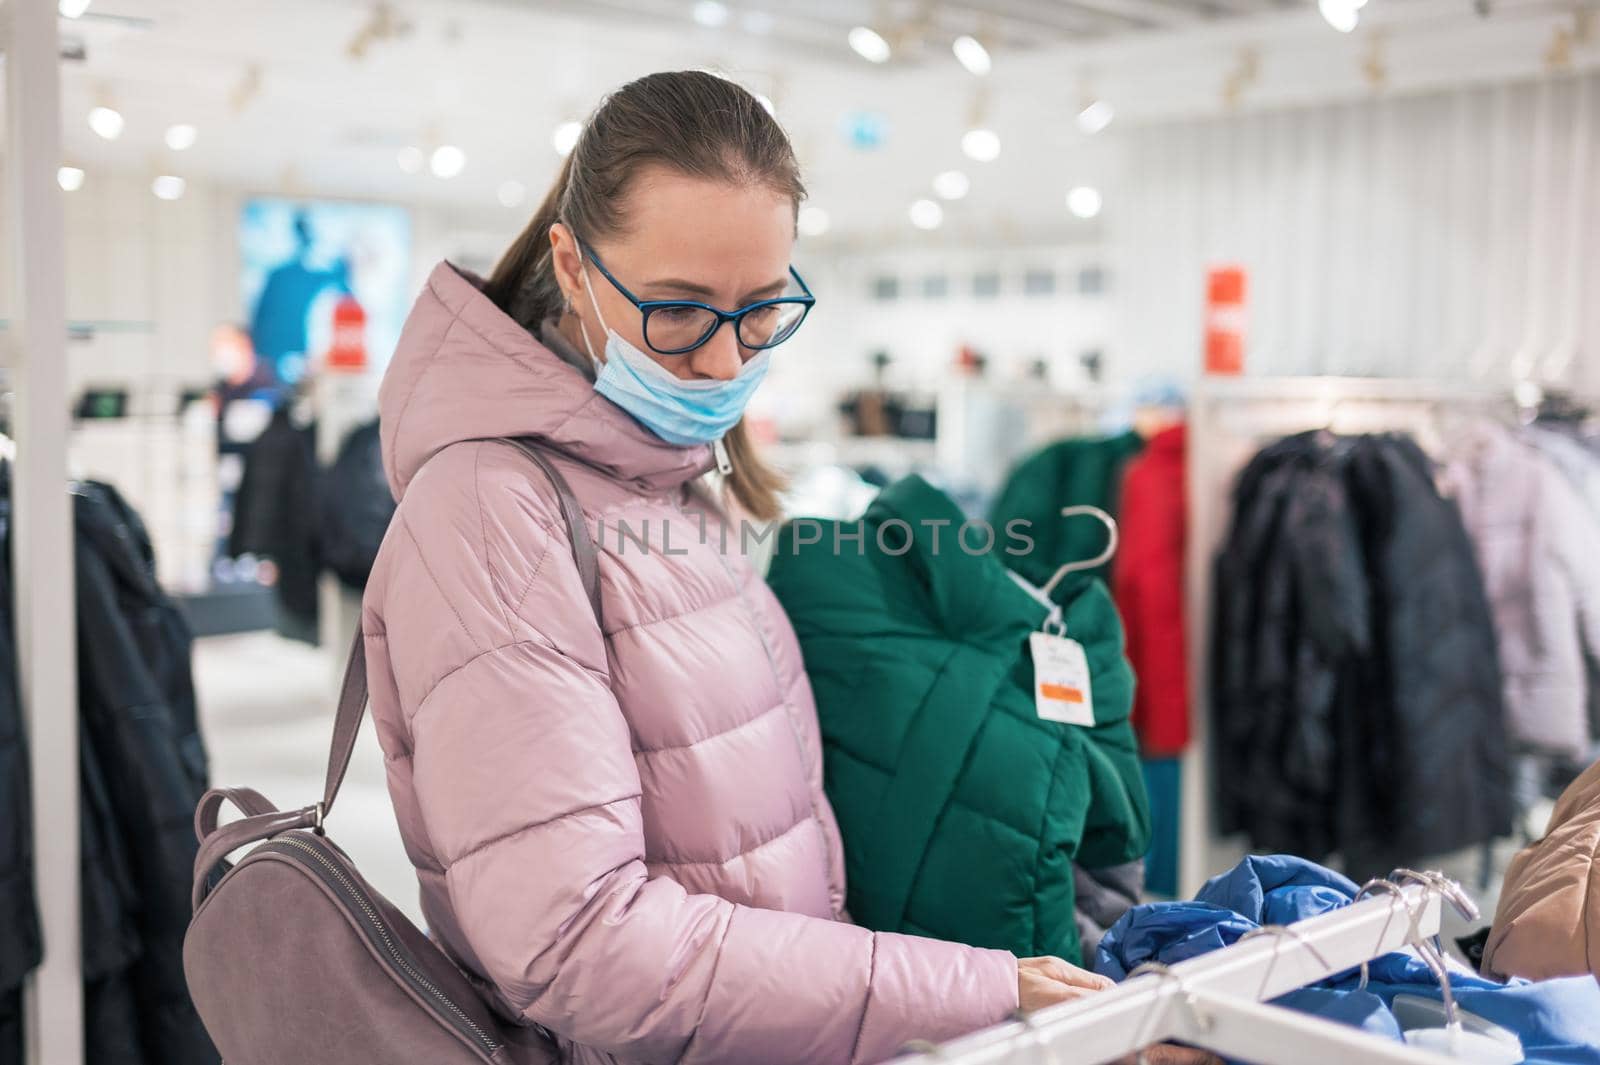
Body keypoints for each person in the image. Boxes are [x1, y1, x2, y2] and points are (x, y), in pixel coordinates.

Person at [362, 70, 1194, 1065]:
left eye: (761, 311)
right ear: (572, 268)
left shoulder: (667, 483)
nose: (724, 365)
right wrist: (970, 991)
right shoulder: (491, 513)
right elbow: (576, 941)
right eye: (676, 311)